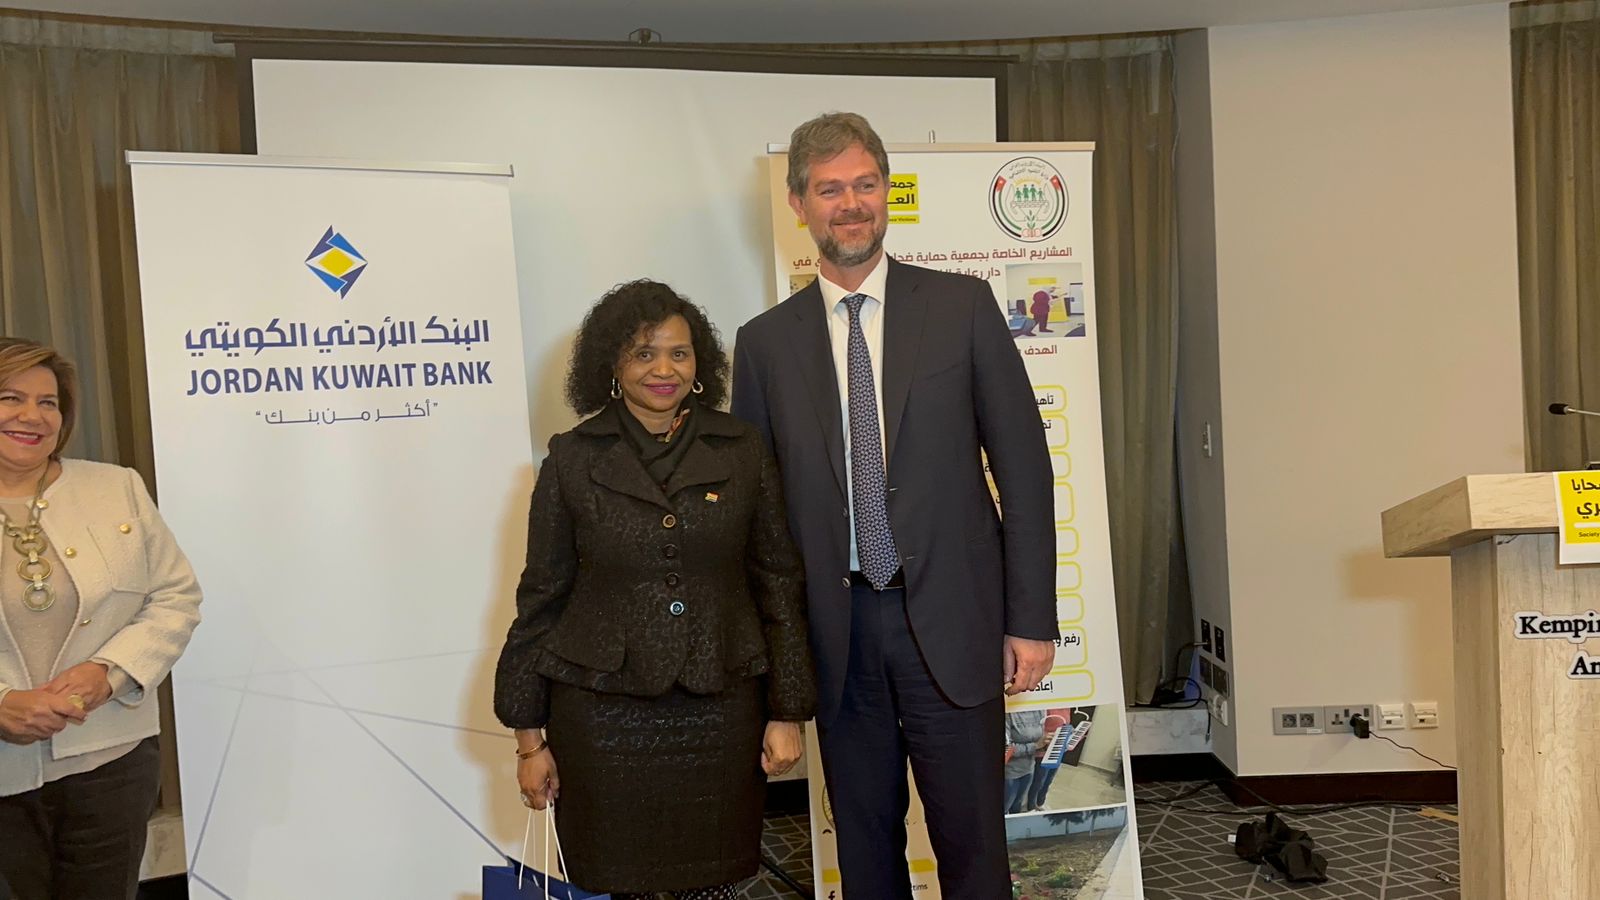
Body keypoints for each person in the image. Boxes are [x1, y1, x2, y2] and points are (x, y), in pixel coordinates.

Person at [732, 112, 1057, 899]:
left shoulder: (962, 306)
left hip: (953, 621)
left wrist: (1031, 619)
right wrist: (776, 661)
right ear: (798, 203)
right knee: (866, 855)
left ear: (886, 192)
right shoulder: (765, 344)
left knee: (974, 851)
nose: (851, 203)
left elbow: (1023, 468)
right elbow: (759, 521)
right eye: (829, 189)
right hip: (837, 637)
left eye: (865, 185)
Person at [494, 280, 816, 900]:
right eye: (643, 353)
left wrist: (787, 711)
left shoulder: (743, 450)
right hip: (602, 718)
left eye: (679, 353)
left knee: (714, 885)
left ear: (700, 363)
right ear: (611, 365)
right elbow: (541, 598)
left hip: (720, 711)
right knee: (623, 884)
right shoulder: (571, 458)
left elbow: (777, 582)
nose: (664, 370)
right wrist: (528, 741)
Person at [0, 337, 203, 900]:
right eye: (10, 397)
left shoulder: (115, 487)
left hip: (112, 763)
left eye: (48, 402)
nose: (32, 416)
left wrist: (108, 672)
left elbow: (176, 596)